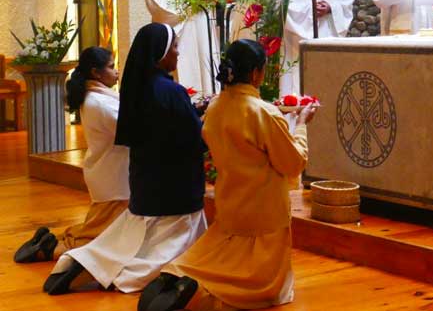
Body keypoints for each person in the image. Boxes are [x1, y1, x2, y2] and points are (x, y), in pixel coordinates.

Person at [137, 39, 317, 311]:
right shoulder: (263, 113)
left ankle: (178, 275)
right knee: (262, 284)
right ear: (255, 73)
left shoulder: (217, 106)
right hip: (264, 211)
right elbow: (293, 163)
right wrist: (301, 124)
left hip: (231, 204)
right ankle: (201, 291)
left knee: (216, 256)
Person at [43, 23, 208, 295]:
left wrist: (191, 112)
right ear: (160, 53)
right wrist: (208, 122)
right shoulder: (170, 91)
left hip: (143, 180)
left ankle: (88, 261)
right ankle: (139, 277)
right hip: (174, 186)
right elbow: (192, 138)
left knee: (131, 240)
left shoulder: (137, 88)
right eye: (175, 47)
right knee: (165, 249)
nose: (178, 53)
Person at [13, 47, 129, 263]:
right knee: (101, 238)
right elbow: (131, 131)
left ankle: (52, 243)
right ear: (96, 73)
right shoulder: (99, 102)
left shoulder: (98, 97)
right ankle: (51, 249)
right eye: (112, 67)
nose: (116, 72)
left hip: (110, 174)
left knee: (104, 231)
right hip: (114, 178)